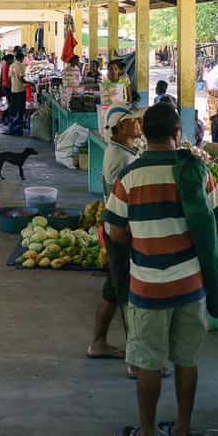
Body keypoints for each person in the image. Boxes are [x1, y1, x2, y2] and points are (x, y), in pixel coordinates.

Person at [106, 103, 218, 436]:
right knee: (186, 360)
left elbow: (116, 233)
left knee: (147, 363)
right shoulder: (198, 171)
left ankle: (147, 430)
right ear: (178, 135)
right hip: (190, 284)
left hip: (147, 286)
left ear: (145, 135)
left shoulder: (128, 177)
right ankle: (183, 427)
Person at [88, 104, 149, 374]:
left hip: (115, 227)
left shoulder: (123, 151)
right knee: (126, 291)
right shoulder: (120, 158)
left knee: (114, 287)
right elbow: (123, 198)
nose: (139, 124)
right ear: (120, 127)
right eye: (134, 121)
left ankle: (98, 343)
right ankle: (137, 362)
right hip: (122, 229)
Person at [5, 51, 27, 135]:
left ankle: (13, 126)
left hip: (13, 89)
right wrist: (30, 83)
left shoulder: (11, 66)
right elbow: (22, 78)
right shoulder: (21, 66)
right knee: (21, 109)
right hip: (20, 90)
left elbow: (9, 77)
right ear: (21, 58)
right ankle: (18, 128)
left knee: (14, 109)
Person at [0, 54, 14, 123]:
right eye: (12, 59)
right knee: (11, 104)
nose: (13, 60)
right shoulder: (7, 67)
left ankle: (6, 118)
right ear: (9, 60)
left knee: (10, 103)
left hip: (5, 86)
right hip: (7, 87)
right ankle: (4, 116)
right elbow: (9, 78)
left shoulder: (5, 66)